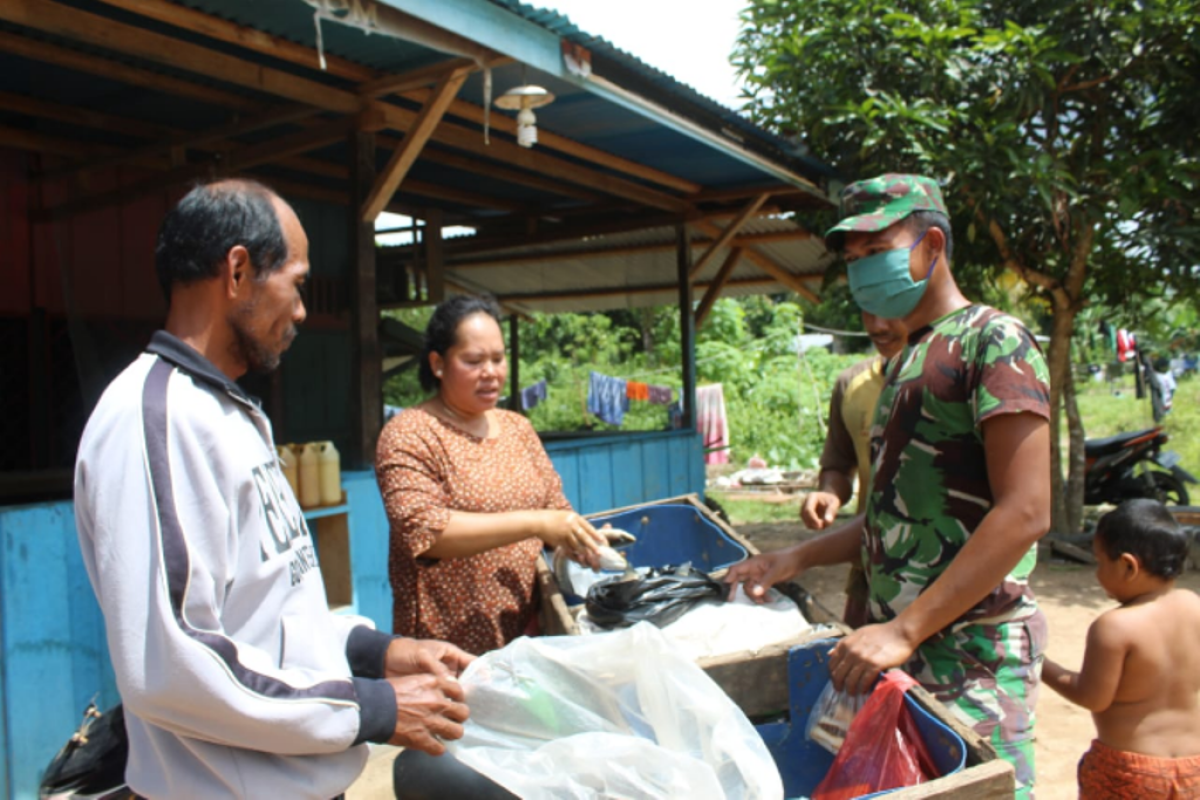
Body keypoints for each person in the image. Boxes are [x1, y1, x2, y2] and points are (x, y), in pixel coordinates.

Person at [74, 179, 471, 799]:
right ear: (237, 271)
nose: (304, 310)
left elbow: (268, 617)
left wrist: (376, 654)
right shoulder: (156, 416)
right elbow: (174, 662)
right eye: (298, 283)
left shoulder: (231, 413)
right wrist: (373, 707)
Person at [726, 174, 1051, 797]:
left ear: (931, 246)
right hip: (904, 650)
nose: (860, 273)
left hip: (972, 653)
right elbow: (891, 518)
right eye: (852, 260)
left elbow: (1027, 511)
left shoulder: (993, 340)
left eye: (876, 252)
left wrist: (905, 629)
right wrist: (796, 555)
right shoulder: (904, 361)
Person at [376, 295, 608, 655]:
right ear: (438, 364)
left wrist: (580, 541)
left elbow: (556, 512)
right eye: (474, 361)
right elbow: (425, 532)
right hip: (449, 650)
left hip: (531, 639)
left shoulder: (518, 428)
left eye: (498, 359)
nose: (491, 372)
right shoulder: (410, 433)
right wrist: (536, 523)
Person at [1042, 499, 1200, 798]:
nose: (1097, 572)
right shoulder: (1194, 605)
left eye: (1100, 562)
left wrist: (1039, 664)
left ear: (1128, 565)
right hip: (1193, 769)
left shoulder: (1115, 627)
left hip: (1130, 771)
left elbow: (1092, 697)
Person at [801, 311, 906, 627]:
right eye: (867, 311)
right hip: (869, 568)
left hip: (940, 574)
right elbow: (839, 463)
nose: (878, 325)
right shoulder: (851, 384)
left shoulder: (956, 379)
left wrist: (796, 558)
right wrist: (829, 494)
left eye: (888, 311)